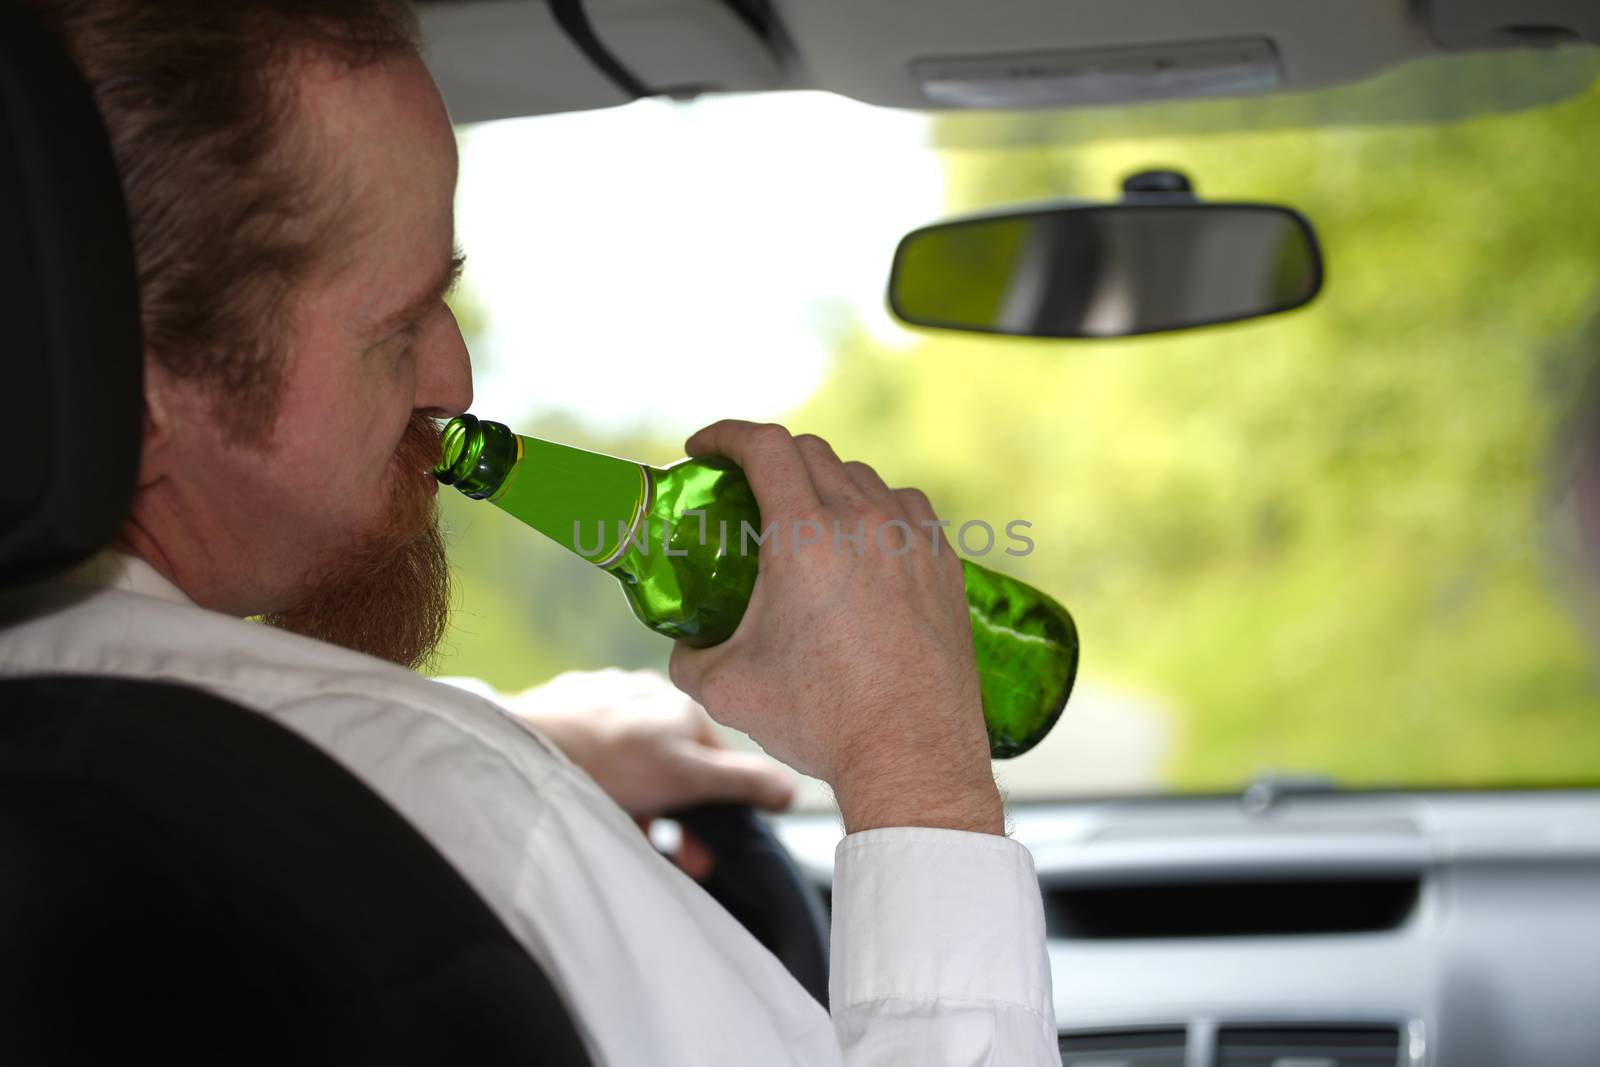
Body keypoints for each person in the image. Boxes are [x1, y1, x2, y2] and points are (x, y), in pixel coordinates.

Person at [0, 2, 1055, 1064]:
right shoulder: (473, 820)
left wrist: (526, 740)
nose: (453, 379)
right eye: (399, 323)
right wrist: (915, 769)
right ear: (141, 394)